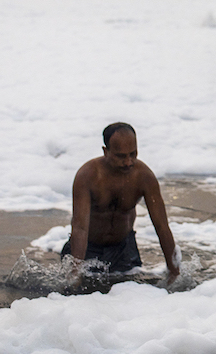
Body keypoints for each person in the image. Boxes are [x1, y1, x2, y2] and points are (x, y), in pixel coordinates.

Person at [61, 122, 180, 285]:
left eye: (133, 154)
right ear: (105, 151)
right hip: (89, 248)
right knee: (79, 293)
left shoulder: (144, 177)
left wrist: (174, 272)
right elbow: (80, 227)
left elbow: (162, 226)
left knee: (130, 295)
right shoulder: (88, 176)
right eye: (121, 156)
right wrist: (75, 272)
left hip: (123, 249)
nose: (128, 162)